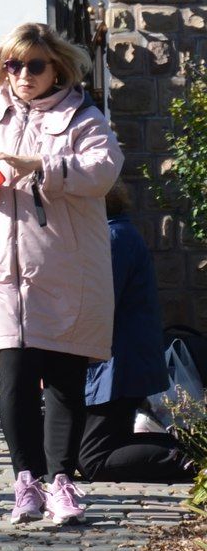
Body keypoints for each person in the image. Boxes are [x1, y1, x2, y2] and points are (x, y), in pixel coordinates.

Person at [0, 21, 122, 527]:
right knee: (16, 382)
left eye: (33, 65)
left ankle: (61, 483)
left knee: (64, 378)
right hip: (2, 271)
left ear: (56, 67)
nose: (21, 74)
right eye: (12, 65)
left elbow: (104, 169)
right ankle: (27, 483)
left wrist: (38, 164)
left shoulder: (82, 114)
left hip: (65, 269)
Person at [81, 184, 194, 483]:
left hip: (118, 367)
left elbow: (97, 303)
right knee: (89, 448)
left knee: (93, 459)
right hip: (116, 363)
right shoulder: (113, 233)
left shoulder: (112, 237)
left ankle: (193, 459)